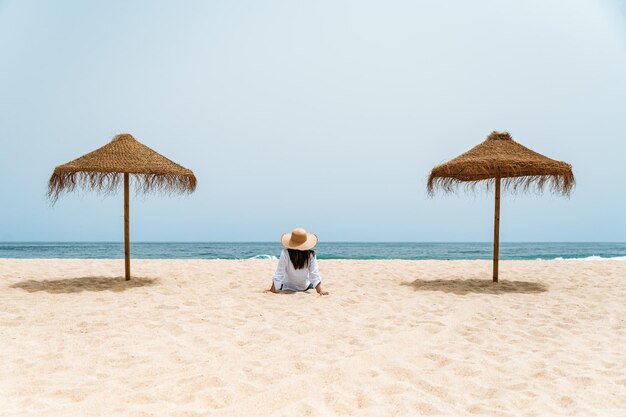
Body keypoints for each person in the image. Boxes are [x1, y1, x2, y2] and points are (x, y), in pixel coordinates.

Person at [268, 228, 329, 296]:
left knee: (283, 282)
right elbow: (314, 273)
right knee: (310, 284)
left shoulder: (285, 253)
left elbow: (279, 273)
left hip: (287, 287)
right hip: (305, 287)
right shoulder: (311, 254)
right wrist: (320, 291)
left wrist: (272, 290)